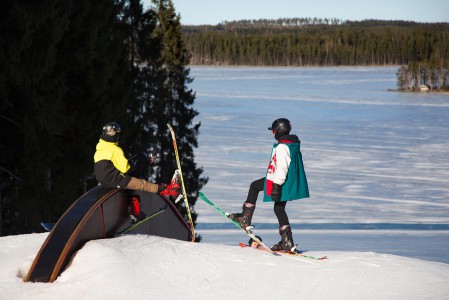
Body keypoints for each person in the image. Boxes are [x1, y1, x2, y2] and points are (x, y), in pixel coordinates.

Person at [229, 118, 309, 252]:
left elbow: (282, 167)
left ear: (279, 131)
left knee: (254, 186)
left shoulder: (283, 147)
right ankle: (287, 242)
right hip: (288, 181)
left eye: (273, 131)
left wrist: (276, 186)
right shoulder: (293, 144)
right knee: (279, 208)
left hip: (280, 180)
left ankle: (245, 218)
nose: (273, 134)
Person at [94, 122, 179, 196]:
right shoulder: (115, 149)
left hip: (103, 182)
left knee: (134, 189)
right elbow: (125, 168)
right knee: (143, 184)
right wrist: (132, 166)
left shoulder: (99, 150)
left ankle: (136, 210)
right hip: (115, 180)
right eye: (112, 132)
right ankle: (171, 191)